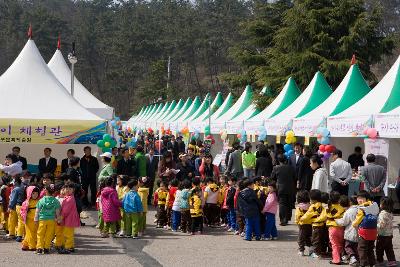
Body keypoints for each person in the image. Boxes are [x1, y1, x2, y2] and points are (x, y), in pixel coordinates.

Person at [352, 190, 379, 267]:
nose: (359, 200)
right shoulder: (374, 205)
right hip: (373, 230)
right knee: (370, 247)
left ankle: (363, 263)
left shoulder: (362, 207)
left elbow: (358, 219)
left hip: (364, 231)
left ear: (366, 199)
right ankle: (372, 263)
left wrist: (354, 224)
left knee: (362, 248)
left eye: (362, 198)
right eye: (358, 198)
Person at [34, 184, 61, 254]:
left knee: (40, 233)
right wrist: (58, 219)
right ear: (54, 192)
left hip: (42, 219)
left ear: (46, 191)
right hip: (51, 220)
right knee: (49, 234)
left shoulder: (41, 200)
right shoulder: (56, 201)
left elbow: (37, 211)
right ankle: (46, 248)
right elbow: (57, 212)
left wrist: (36, 219)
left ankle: (39, 248)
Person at [300, 189, 327, 259]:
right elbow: (324, 215)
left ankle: (314, 253)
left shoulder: (312, 206)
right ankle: (319, 252)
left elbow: (307, 215)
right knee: (320, 239)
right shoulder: (322, 205)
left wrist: (301, 219)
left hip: (315, 225)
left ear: (313, 199)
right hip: (322, 225)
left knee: (315, 240)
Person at [271, 154, 296, 226]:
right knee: (289, 203)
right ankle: (287, 218)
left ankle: (283, 219)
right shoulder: (291, 168)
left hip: (281, 188)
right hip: (290, 188)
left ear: (278, 160)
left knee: (282, 204)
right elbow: (295, 177)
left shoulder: (276, 168)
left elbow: (272, 178)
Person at [335, 196, 359, 266]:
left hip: (350, 234)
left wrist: (336, 220)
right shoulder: (360, 209)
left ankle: (352, 258)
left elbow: (343, 222)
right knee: (356, 247)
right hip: (360, 233)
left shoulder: (349, 211)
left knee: (348, 247)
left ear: (350, 202)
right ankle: (357, 259)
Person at [326, 192, 347, 265]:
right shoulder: (342, 207)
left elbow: (324, 216)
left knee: (334, 244)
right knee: (340, 244)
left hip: (332, 228)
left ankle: (336, 259)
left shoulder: (328, 207)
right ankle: (340, 257)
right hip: (341, 228)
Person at [59, 183, 81, 253]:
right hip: (70, 219)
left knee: (67, 234)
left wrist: (60, 217)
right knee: (69, 233)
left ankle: (68, 247)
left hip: (69, 219)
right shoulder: (69, 197)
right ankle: (70, 246)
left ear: (73, 190)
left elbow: (65, 211)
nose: (68, 190)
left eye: (70, 189)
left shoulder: (69, 199)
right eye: (66, 188)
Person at [376, 197, 396, 267]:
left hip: (382, 235)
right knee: (389, 249)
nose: (379, 204)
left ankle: (380, 261)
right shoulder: (390, 213)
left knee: (379, 249)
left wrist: (375, 226)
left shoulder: (382, 213)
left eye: (380, 203)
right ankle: (392, 261)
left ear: (383, 205)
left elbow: (381, 225)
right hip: (389, 235)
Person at [20, 186, 40, 251]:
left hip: (37, 220)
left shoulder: (39, 201)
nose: (35, 195)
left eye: (36, 193)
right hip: (29, 220)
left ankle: (25, 244)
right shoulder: (26, 202)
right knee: (30, 233)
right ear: (29, 193)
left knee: (35, 232)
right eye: (33, 193)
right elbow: (22, 211)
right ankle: (32, 246)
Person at [7, 175, 25, 241]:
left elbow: (13, 199)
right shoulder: (23, 187)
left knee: (12, 220)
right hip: (22, 206)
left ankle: (12, 234)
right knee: (20, 221)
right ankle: (19, 234)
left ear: (16, 182)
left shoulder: (16, 189)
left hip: (16, 206)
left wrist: (10, 207)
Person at [295, 190, 312, 256]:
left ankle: (301, 250)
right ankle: (311, 249)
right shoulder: (310, 206)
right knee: (309, 236)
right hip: (310, 224)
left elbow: (297, 216)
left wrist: (297, 222)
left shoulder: (299, 207)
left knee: (301, 237)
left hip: (302, 224)